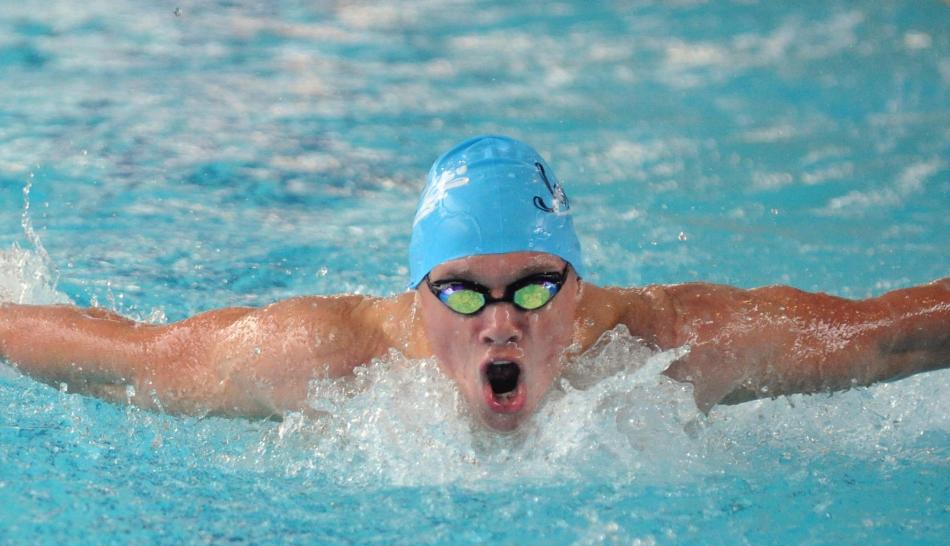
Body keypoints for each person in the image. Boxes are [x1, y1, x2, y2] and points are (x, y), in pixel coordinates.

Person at [0, 136, 947, 432]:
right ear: (416, 296)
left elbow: (885, 333)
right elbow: (130, 357)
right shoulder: (327, 357)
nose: (500, 325)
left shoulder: (665, 344)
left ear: (580, 288)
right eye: (462, 292)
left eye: (532, 287)